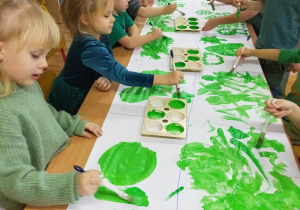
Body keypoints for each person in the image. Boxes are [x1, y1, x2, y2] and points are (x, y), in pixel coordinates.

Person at [0, 0, 103, 209]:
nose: (45, 63)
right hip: (29, 199)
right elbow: (15, 183)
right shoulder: (4, 113)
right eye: (36, 55)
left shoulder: (24, 81)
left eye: (46, 54)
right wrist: (70, 185)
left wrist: (72, 124)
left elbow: (44, 112)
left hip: (56, 166)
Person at [48, 0, 183, 115]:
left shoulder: (100, 32)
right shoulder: (89, 46)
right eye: (107, 15)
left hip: (89, 87)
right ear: (86, 19)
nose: (113, 18)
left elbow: (109, 61)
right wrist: (164, 79)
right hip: (72, 101)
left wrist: (107, 76)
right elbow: (123, 76)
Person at [233, 0, 300, 99]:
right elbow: (267, 5)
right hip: (262, 44)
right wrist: (249, 4)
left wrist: (296, 56)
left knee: (273, 96)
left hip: (283, 52)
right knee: (256, 90)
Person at [236, 48, 300, 145]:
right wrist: (252, 52)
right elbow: (283, 54)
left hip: (296, 128)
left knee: (250, 134)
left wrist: (292, 110)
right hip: (289, 112)